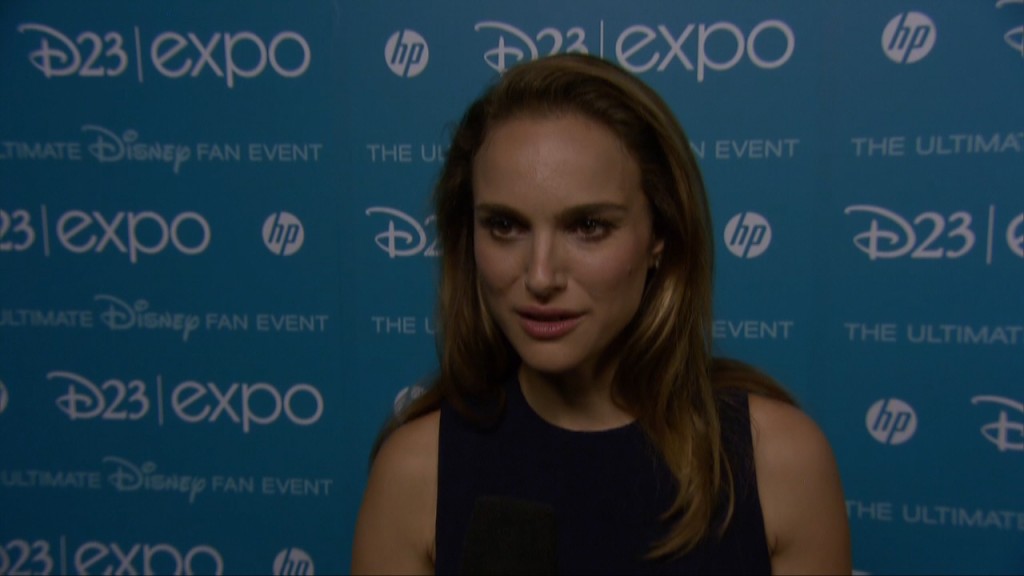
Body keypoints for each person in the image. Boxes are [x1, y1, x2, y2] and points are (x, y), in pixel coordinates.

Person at [351, 53, 850, 575]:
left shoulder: (778, 462)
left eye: (588, 226)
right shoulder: (416, 471)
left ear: (660, 235)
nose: (541, 276)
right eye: (504, 226)